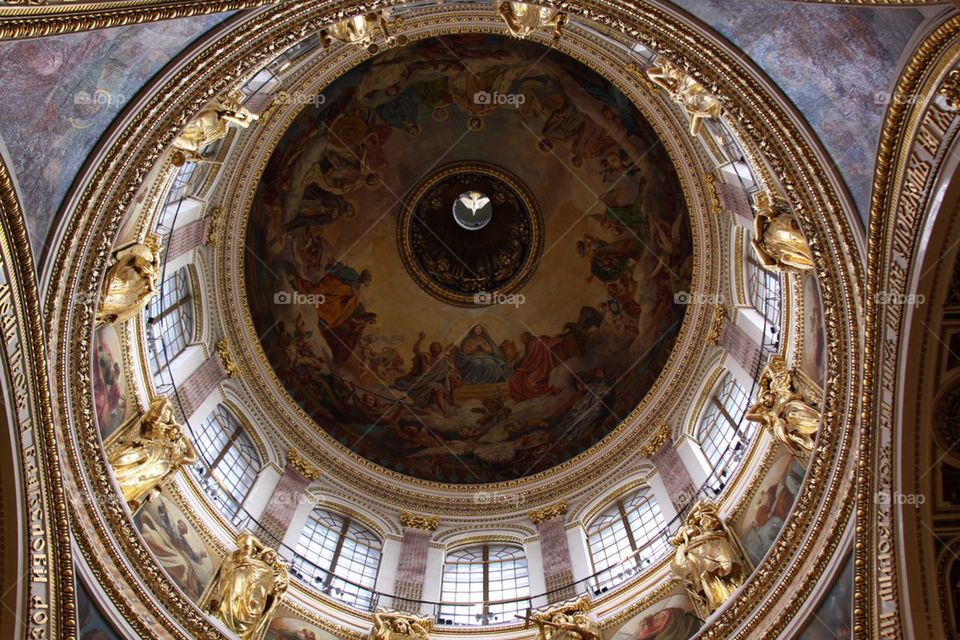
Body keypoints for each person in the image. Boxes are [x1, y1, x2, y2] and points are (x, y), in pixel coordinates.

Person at [508, 332, 561, 401]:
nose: (524, 342)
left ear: (528, 337)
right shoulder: (528, 346)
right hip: (530, 368)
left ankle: (546, 391)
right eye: (523, 341)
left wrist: (524, 366)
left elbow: (532, 358)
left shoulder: (539, 341)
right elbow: (527, 357)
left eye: (524, 339)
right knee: (514, 379)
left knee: (531, 383)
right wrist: (519, 365)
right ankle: (521, 395)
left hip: (540, 367)